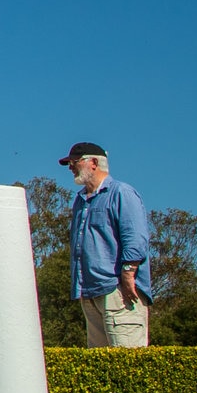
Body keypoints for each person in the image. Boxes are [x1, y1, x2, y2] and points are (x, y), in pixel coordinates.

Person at [61, 141, 153, 348]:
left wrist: (128, 274)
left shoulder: (122, 193)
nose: (70, 167)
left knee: (127, 364)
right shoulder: (80, 200)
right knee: (99, 367)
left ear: (93, 162)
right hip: (90, 292)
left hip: (118, 290)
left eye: (75, 162)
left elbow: (135, 237)